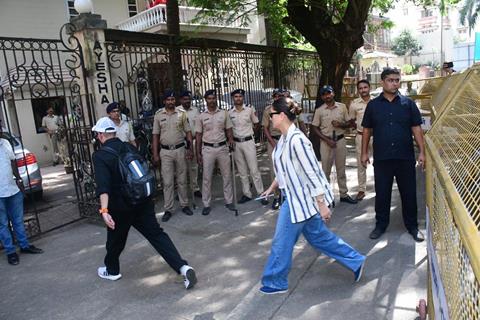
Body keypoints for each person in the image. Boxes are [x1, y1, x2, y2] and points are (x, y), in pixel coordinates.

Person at [259, 97, 366, 294]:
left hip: (299, 202)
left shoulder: (298, 140)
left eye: (272, 114)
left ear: (281, 116)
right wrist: (273, 186)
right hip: (299, 200)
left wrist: (322, 204)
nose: (269, 117)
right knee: (321, 239)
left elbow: (312, 173)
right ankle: (356, 260)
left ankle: (276, 281)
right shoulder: (284, 138)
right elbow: (285, 169)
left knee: (281, 242)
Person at [91, 117, 197, 289]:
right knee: (157, 236)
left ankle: (112, 270)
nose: (97, 137)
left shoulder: (100, 155)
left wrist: (104, 210)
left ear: (102, 135)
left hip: (121, 206)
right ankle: (183, 267)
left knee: (115, 240)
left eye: (97, 134)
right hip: (142, 200)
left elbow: (103, 186)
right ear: (113, 133)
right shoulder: (129, 147)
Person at [361, 68, 425, 242]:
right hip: (382, 158)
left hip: (405, 157)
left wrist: (422, 152)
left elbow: (416, 128)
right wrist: (364, 152)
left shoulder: (408, 104)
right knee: (382, 193)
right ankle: (380, 225)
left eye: (397, 80)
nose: (394, 83)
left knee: (409, 193)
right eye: (390, 80)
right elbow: (367, 129)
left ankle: (412, 226)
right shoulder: (373, 105)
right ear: (382, 82)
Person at [0, 125, 43, 265]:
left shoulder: (5, 142)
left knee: (18, 220)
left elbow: (12, 162)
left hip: (13, 190)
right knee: (3, 224)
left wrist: (18, 180)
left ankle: (24, 246)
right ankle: (10, 252)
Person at [311, 85, 357, 204]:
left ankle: (343, 194)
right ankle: (326, 196)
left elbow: (349, 124)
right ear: (322, 96)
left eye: (329, 93)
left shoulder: (342, 107)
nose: (327, 96)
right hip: (326, 143)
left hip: (340, 141)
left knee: (341, 170)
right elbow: (315, 128)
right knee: (325, 171)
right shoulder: (319, 110)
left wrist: (340, 125)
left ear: (333, 93)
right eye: (324, 94)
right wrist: (326, 140)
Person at [152, 91, 194, 222]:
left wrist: (190, 149)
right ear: (164, 101)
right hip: (165, 152)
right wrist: (155, 154)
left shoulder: (182, 114)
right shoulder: (158, 116)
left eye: (172, 99)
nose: (170, 101)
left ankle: (184, 204)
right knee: (168, 182)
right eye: (168, 99)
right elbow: (155, 136)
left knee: (182, 179)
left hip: (180, 149)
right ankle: (168, 209)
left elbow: (188, 133)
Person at [195, 89, 236, 216]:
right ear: (206, 100)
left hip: (222, 148)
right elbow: (198, 136)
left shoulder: (224, 114)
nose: (212, 101)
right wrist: (198, 153)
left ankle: (229, 201)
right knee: (207, 178)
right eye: (209, 98)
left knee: (227, 175)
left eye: (213, 98)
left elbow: (229, 129)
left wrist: (230, 140)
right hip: (207, 149)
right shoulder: (201, 116)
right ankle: (206, 204)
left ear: (216, 99)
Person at [229, 89, 267, 205]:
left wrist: (252, 136)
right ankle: (247, 194)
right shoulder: (230, 113)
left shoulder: (250, 109)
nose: (238, 98)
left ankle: (261, 194)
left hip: (248, 142)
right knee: (242, 171)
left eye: (240, 96)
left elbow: (256, 124)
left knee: (254, 169)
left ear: (243, 98)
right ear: (233, 98)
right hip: (236, 144)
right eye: (236, 96)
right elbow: (229, 128)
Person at [349, 80, 373, 201]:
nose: (363, 90)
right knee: (361, 163)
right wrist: (357, 131)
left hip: (376, 136)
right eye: (360, 88)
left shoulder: (376, 102)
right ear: (358, 90)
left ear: (369, 88)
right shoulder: (354, 104)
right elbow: (352, 120)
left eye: (365, 87)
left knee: (380, 162)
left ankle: (381, 187)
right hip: (361, 136)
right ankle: (361, 189)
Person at [262, 89, 285, 209]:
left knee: (289, 167)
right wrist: (273, 143)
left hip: (286, 140)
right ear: (273, 97)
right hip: (274, 141)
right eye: (276, 96)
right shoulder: (268, 110)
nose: (278, 98)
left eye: (280, 96)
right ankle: (276, 196)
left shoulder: (287, 109)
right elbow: (265, 128)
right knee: (274, 169)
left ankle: (287, 196)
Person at [177, 90, 202, 198]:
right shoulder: (176, 111)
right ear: (181, 100)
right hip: (181, 142)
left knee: (193, 166)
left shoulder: (195, 110)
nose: (187, 101)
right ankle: (181, 191)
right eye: (185, 99)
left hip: (194, 140)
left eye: (189, 99)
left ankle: (195, 188)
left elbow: (199, 126)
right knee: (181, 168)